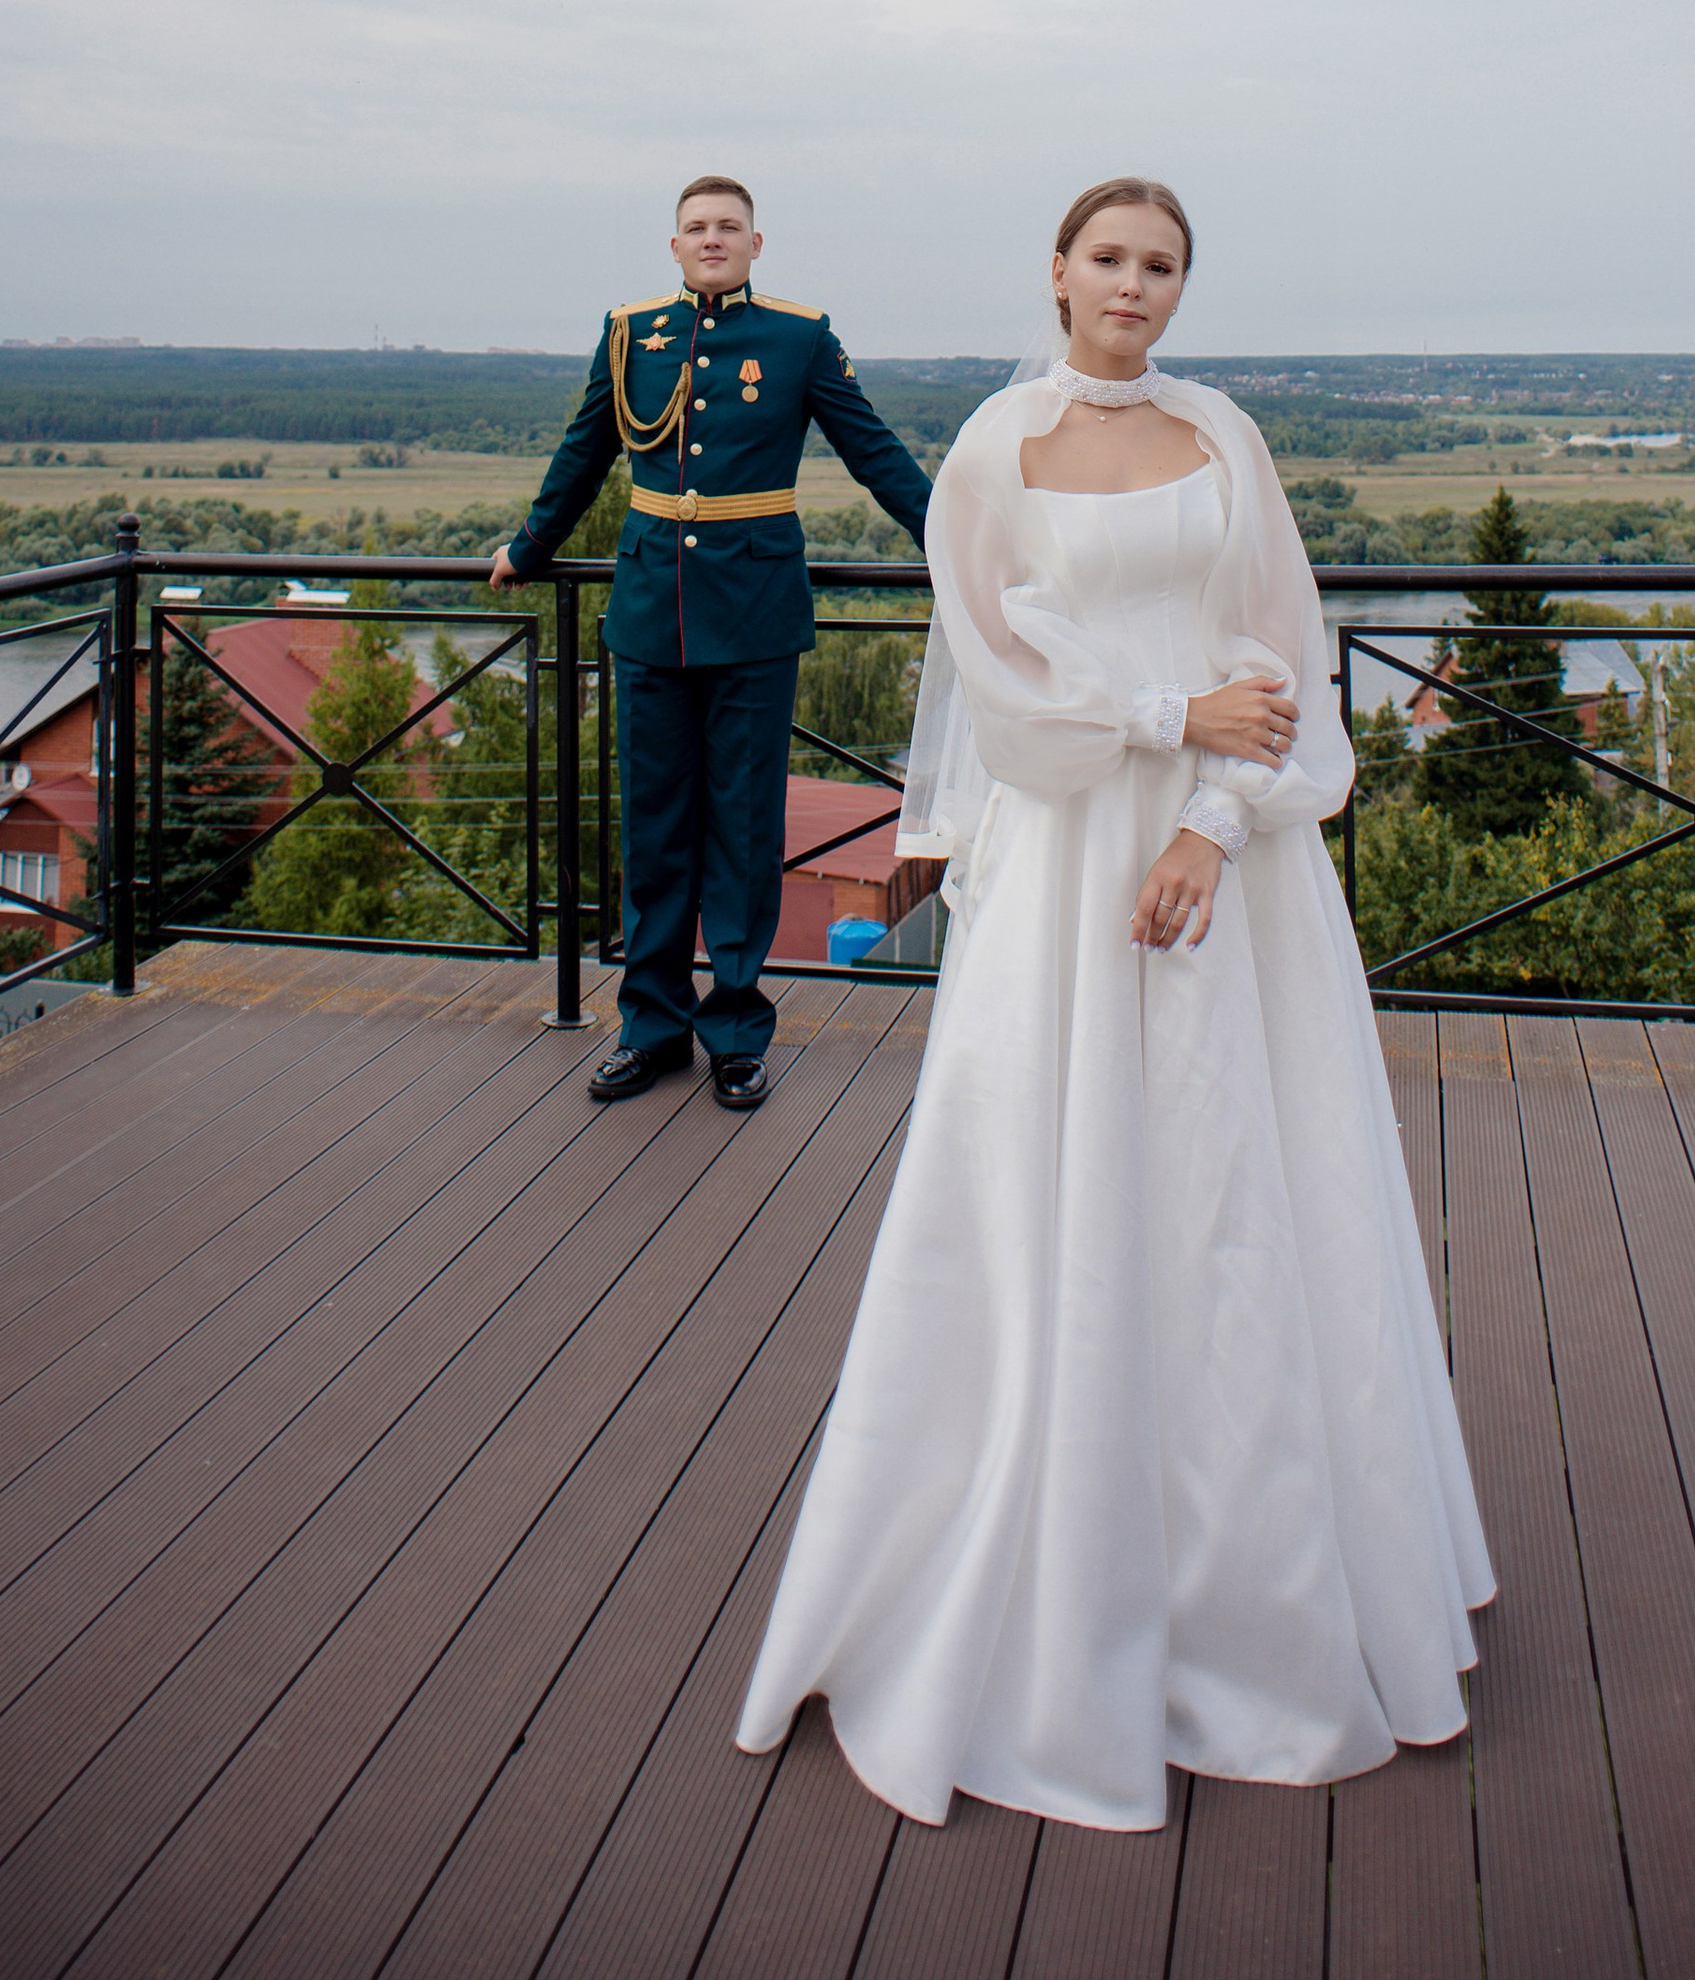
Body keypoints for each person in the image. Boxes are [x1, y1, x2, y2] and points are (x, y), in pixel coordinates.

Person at [737, 177, 1492, 1826]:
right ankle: (1045, 1575)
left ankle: (1274, 1591)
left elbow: (1284, 656)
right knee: (1048, 1192)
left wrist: (1214, 827)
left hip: (1230, 859)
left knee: (1241, 1194)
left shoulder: (1225, 435)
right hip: (1071, 853)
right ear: (1061, 274)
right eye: (1109, 258)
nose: (1134, 285)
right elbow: (1006, 688)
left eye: (1161, 264)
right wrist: (1170, 722)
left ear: (1176, 288)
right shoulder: (995, 453)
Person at [491, 175, 934, 1112]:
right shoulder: (630, 332)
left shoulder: (799, 336)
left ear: (756, 242)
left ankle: (735, 1031)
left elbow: (875, 452)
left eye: (729, 225)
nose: (713, 238)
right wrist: (531, 548)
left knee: (741, 830)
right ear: (675, 244)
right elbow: (586, 452)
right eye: (697, 227)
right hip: (653, 607)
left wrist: (954, 541)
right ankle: (650, 1027)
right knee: (653, 829)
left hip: (755, 609)